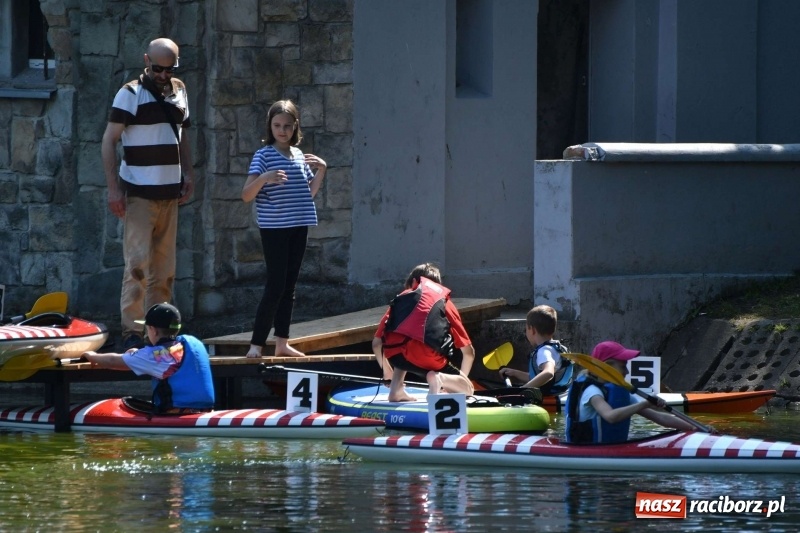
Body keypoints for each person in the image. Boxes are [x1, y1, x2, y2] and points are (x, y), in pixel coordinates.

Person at [101, 37, 195, 351]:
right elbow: (108, 140)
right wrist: (114, 188)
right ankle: (131, 332)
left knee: (165, 270)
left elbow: (181, 135)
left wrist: (189, 173)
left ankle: (160, 331)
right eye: (158, 68)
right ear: (146, 61)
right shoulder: (129, 94)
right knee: (138, 265)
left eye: (170, 69)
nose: (163, 75)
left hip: (169, 193)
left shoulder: (180, 91)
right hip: (139, 193)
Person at [241, 100, 327, 358]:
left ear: (295, 127)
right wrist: (264, 178)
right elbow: (246, 194)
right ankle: (256, 344)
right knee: (275, 285)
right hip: (275, 228)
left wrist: (322, 170)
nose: (282, 130)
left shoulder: (299, 155)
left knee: (289, 286)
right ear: (270, 126)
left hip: (298, 225)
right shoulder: (263, 155)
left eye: (287, 126)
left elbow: (308, 193)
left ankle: (281, 343)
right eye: (277, 125)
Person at [82, 303, 215, 413]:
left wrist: (92, 355)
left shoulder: (155, 356)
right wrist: (137, 354)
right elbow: (160, 356)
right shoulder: (191, 343)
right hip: (205, 411)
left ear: (154, 330)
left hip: (178, 414)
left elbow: (112, 361)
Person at [372, 263, 476, 402]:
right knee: (468, 389)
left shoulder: (401, 299)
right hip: (428, 359)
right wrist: (456, 382)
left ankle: (395, 390)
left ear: (414, 282)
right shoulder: (443, 301)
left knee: (402, 340)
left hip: (396, 357)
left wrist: (387, 371)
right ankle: (439, 378)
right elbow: (468, 353)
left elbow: (377, 343)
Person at [564, 341, 696, 444]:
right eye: (623, 366)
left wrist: (693, 427)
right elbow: (611, 416)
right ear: (608, 366)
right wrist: (644, 404)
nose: (627, 372)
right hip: (588, 449)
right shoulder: (592, 391)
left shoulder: (618, 392)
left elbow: (659, 417)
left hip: (609, 448)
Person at [498, 304, 573, 395]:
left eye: (526, 329)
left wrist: (523, 390)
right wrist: (514, 373)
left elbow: (548, 373)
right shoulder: (555, 348)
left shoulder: (544, 351)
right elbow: (539, 378)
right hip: (561, 393)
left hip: (549, 400)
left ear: (532, 330)